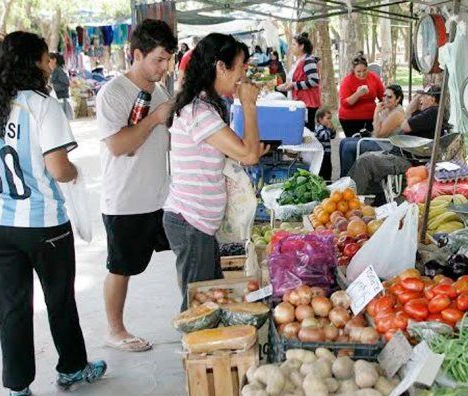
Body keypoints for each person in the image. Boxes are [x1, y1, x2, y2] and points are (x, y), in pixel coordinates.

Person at [0, 31, 106, 396]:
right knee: (59, 300)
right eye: (45, 58)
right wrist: (76, 172)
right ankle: (73, 368)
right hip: (43, 225)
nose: (51, 64)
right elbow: (59, 169)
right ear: (32, 63)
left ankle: (18, 387)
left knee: (11, 307)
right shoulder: (42, 106)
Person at [163, 33, 267, 311]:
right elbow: (248, 155)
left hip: (199, 224)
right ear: (221, 66)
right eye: (241, 66)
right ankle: (196, 352)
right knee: (198, 309)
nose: (244, 75)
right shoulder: (199, 111)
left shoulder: (205, 104)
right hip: (191, 223)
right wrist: (249, 104)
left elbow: (241, 152)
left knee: (208, 302)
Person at [95, 19, 177, 352]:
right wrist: (156, 118)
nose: (164, 66)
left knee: (187, 251)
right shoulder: (113, 93)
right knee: (121, 267)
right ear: (137, 54)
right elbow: (119, 146)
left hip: (162, 196)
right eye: (158, 59)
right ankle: (114, 330)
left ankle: (194, 313)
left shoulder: (159, 91)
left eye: (168, 59)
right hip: (126, 199)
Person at [347, 85, 450, 204]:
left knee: (365, 161)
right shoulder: (429, 112)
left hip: (409, 160)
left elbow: (405, 126)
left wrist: (414, 102)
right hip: (406, 154)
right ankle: (376, 200)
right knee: (367, 156)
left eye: (423, 97)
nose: (420, 99)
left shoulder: (432, 112)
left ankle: (350, 201)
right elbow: (407, 118)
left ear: (432, 100)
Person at [338, 84, 405, 177]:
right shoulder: (387, 110)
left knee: (349, 147)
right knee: (344, 141)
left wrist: (376, 112)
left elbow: (379, 134)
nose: (385, 99)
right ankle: (344, 177)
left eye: (389, 97)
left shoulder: (397, 113)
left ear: (398, 99)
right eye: (384, 95)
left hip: (386, 146)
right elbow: (375, 128)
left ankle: (347, 181)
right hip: (377, 141)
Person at [277, 32, 321, 130]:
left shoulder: (308, 61)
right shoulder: (298, 61)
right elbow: (297, 80)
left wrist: (293, 85)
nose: (291, 47)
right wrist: (285, 85)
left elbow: (314, 81)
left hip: (308, 104)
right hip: (299, 102)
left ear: (301, 46)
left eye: (293, 44)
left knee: (308, 132)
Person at [338, 55, 385, 137]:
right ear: (353, 70)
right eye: (358, 71)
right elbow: (344, 104)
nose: (362, 74)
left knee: (368, 142)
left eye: (364, 70)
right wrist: (357, 94)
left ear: (367, 68)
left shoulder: (374, 77)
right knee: (354, 144)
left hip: (370, 118)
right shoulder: (347, 81)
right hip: (350, 119)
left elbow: (382, 96)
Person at [48, 52, 73, 120]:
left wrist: (53, 86)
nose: (48, 63)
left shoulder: (58, 70)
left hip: (61, 98)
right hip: (59, 98)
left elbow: (66, 83)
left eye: (49, 61)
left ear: (54, 60)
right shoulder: (55, 71)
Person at [314, 108, 337, 180]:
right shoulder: (319, 128)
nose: (330, 120)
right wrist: (329, 129)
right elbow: (325, 136)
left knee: (328, 169)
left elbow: (332, 137)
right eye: (328, 118)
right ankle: (325, 181)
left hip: (327, 154)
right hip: (322, 155)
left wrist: (332, 130)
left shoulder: (325, 127)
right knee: (323, 170)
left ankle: (328, 180)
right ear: (320, 119)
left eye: (330, 118)